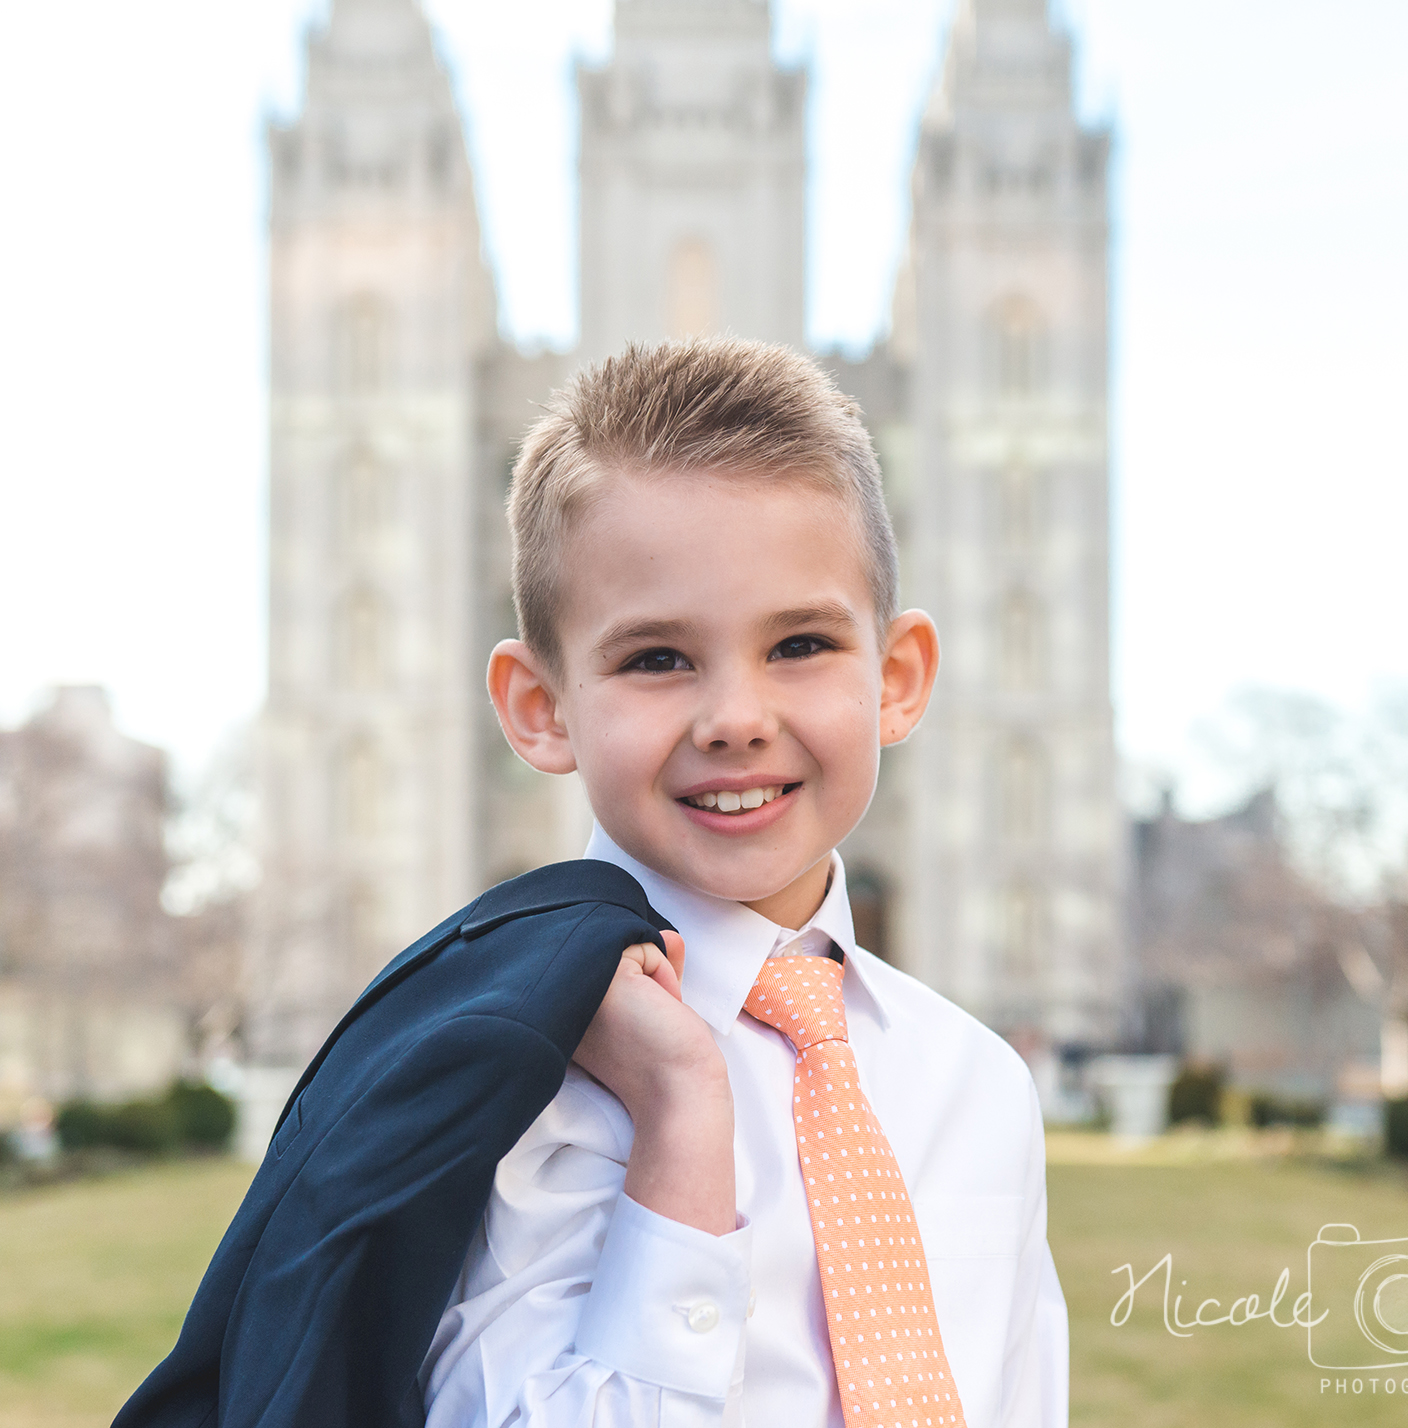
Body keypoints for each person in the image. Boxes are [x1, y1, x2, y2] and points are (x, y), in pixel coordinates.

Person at [425, 337, 1067, 1426]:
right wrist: (680, 1121)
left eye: (802, 643)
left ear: (896, 680)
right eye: (656, 659)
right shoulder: (506, 1082)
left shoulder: (975, 1083)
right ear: (539, 708)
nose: (735, 718)